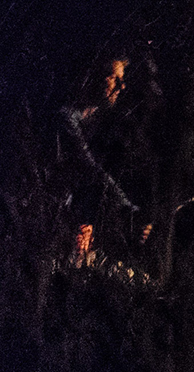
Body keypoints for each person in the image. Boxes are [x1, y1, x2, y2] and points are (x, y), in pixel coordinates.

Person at [53, 53, 145, 265]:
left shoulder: (99, 127)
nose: (122, 87)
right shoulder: (66, 120)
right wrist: (126, 209)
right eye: (114, 78)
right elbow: (88, 169)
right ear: (92, 77)